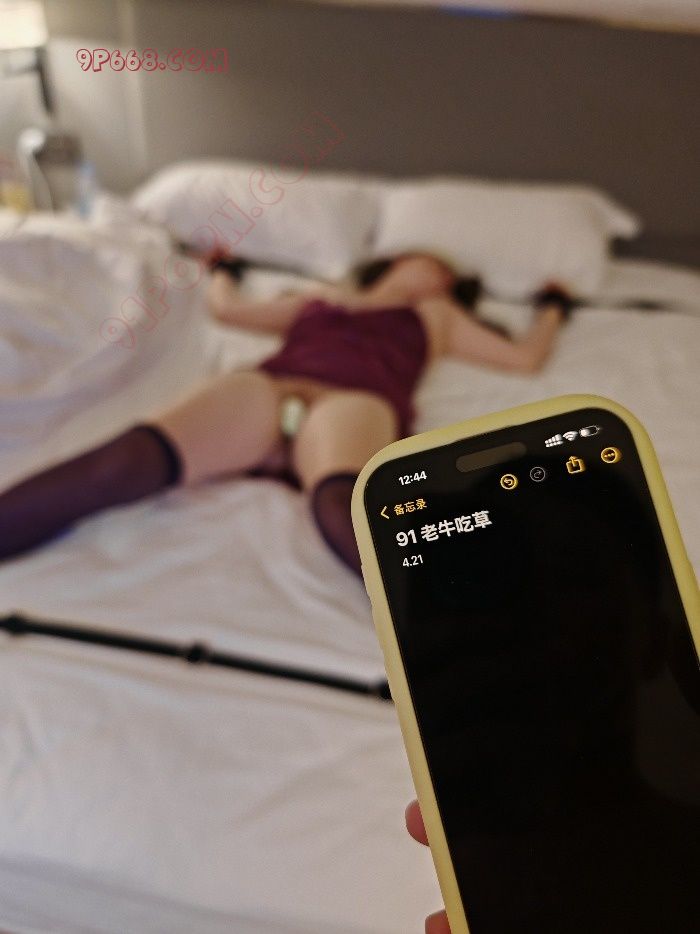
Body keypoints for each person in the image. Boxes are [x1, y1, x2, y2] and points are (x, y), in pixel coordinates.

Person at [0, 253, 571, 568]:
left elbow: (524, 360)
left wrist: (552, 307)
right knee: (123, 462)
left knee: (346, 508)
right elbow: (229, 311)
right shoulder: (318, 299)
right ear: (392, 263)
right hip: (268, 392)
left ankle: (486, 631)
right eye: (432, 264)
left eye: (448, 276)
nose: (442, 274)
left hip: (352, 402)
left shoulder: (437, 315)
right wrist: (224, 272)